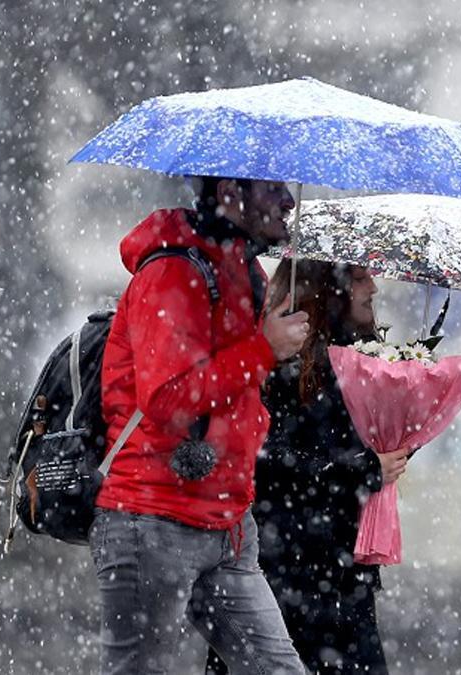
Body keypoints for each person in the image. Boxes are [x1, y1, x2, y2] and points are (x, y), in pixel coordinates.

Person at [93, 176, 310, 674]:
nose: (287, 201)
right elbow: (168, 398)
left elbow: (238, 387)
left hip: (228, 523)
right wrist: (264, 350)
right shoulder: (172, 271)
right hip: (152, 519)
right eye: (272, 188)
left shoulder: (244, 270)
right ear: (231, 191)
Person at [206, 259, 412, 675]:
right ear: (326, 289)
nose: (372, 287)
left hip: (339, 570)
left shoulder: (361, 362)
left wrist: (402, 436)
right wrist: (362, 469)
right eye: (358, 278)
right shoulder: (281, 366)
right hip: (285, 567)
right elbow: (266, 460)